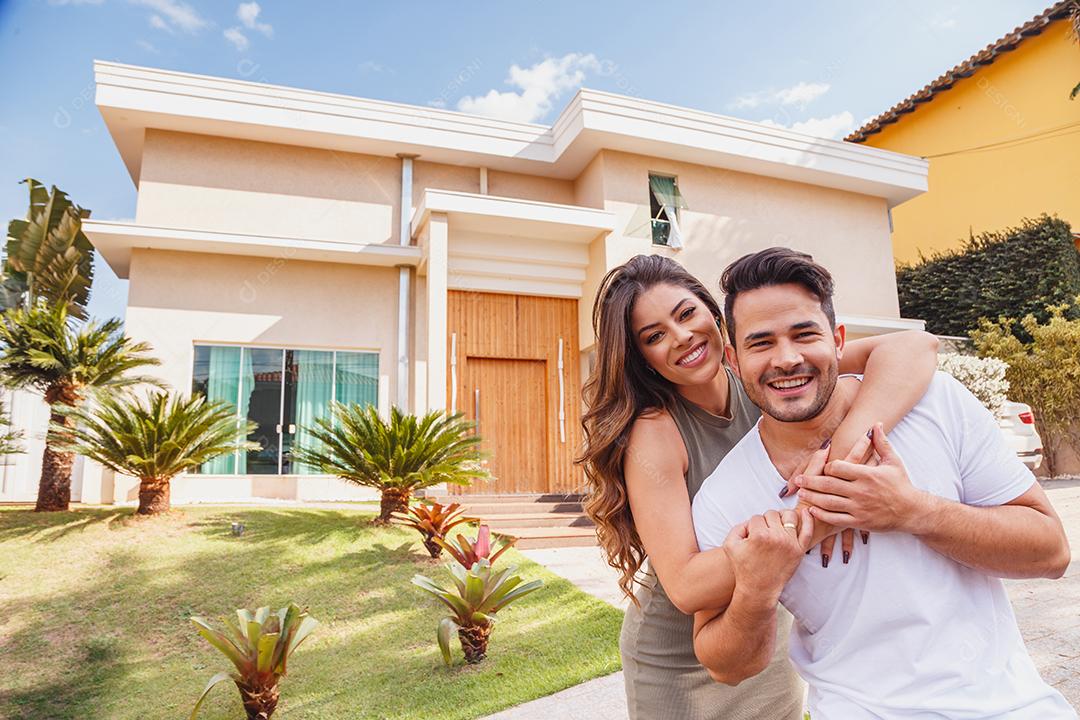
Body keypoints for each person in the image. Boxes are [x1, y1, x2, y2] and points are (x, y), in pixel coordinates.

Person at [691, 247, 1074, 719]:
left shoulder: (936, 403)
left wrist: (914, 512)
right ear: (733, 357)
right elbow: (726, 666)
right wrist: (757, 587)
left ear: (838, 340)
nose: (786, 359)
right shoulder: (723, 495)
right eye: (761, 342)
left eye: (804, 334)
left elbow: (1051, 552)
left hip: (1011, 707)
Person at [578, 254, 940, 720]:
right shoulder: (654, 432)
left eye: (686, 313)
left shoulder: (762, 377)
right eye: (654, 336)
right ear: (640, 358)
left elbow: (916, 347)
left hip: (763, 623)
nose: (682, 337)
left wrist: (841, 463)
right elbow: (686, 586)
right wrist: (829, 513)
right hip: (677, 659)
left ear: (713, 314)